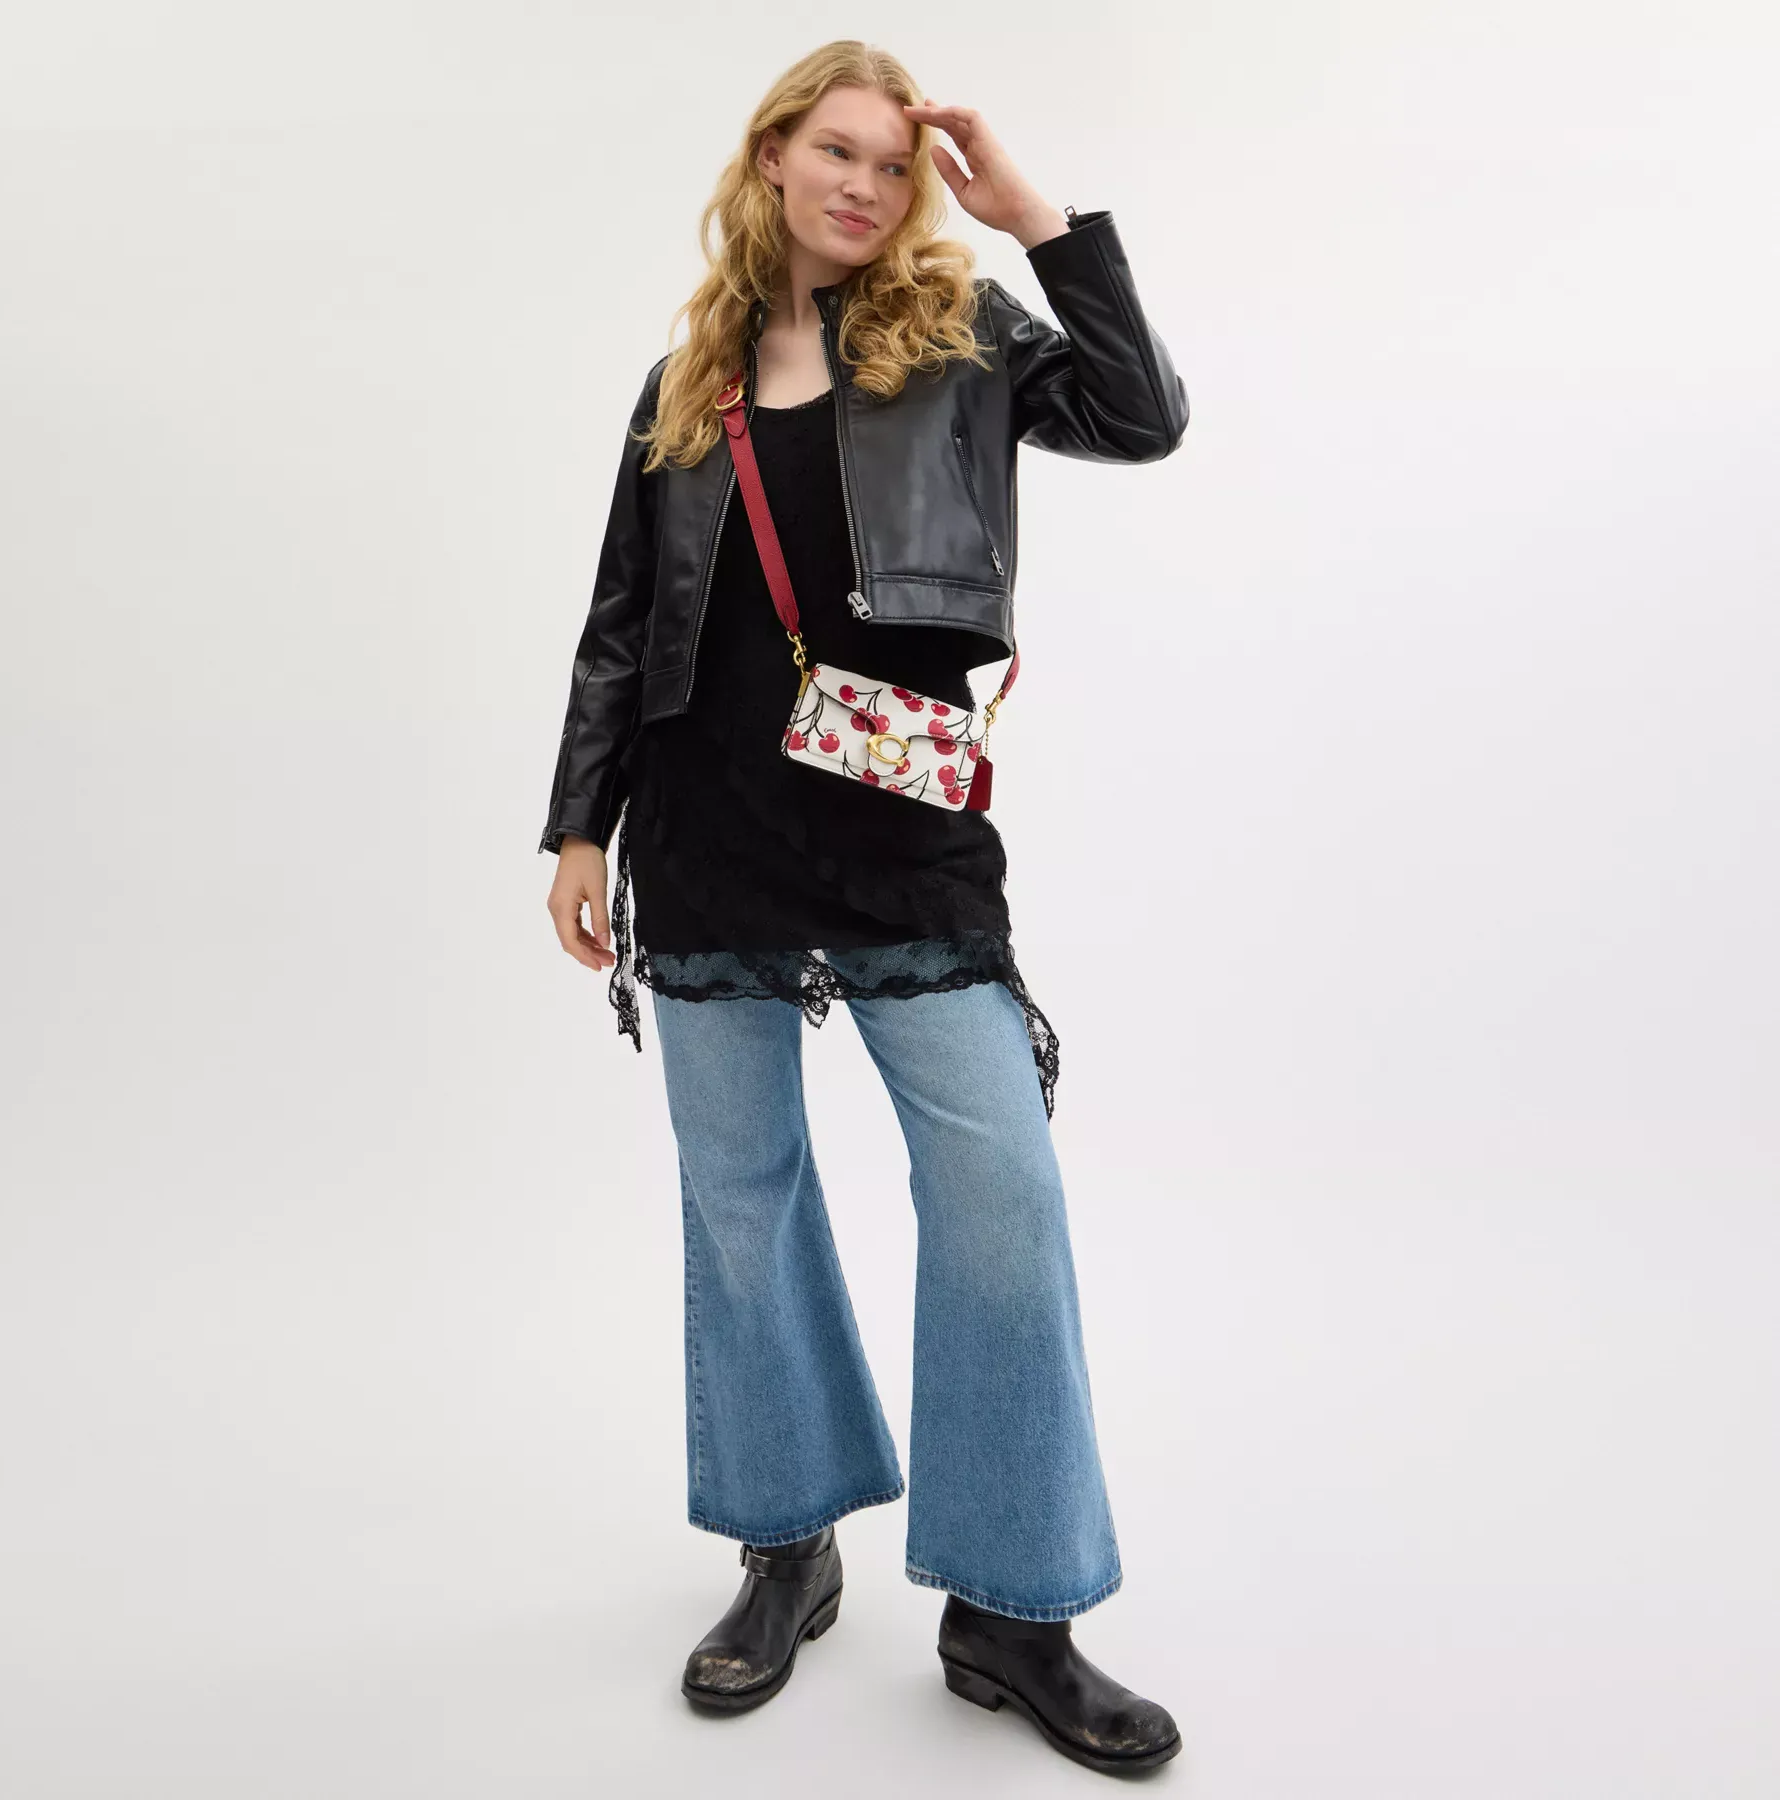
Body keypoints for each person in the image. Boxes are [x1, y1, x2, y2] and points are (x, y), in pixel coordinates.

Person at [541, 40, 1188, 1777]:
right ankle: (785, 1542)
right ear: (772, 155)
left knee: (1000, 1196)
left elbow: (1143, 416)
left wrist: (1038, 220)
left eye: (895, 167)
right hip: (707, 832)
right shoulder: (687, 378)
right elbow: (620, 621)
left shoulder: (961, 336)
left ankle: (1014, 1607)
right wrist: (580, 828)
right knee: (741, 1201)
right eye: (838, 152)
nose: (867, 187)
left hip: (898, 831)